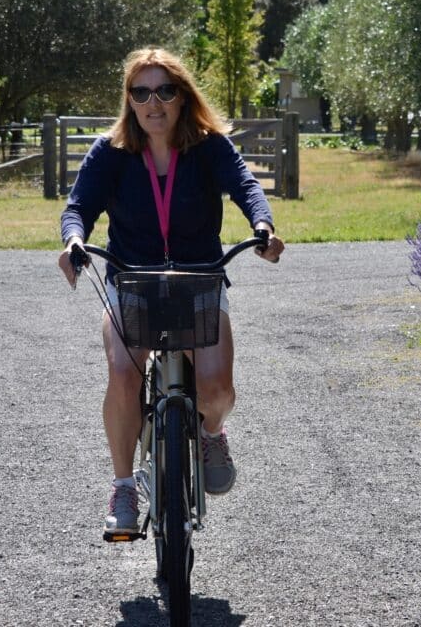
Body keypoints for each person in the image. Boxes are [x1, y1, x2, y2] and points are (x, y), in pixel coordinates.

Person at [57, 47, 285, 537]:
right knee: (122, 372)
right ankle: (123, 487)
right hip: (132, 283)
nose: (153, 102)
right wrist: (74, 241)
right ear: (130, 101)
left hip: (198, 280)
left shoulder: (209, 147)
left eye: (164, 90)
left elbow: (246, 187)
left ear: (182, 97)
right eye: (141, 92)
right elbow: (78, 206)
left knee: (217, 388)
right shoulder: (110, 152)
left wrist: (263, 226)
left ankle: (209, 433)